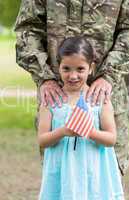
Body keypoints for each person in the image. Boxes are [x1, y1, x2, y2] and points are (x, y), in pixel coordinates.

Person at [15, 0, 129, 176]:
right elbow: (28, 29)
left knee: (108, 175)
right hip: (56, 96)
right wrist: (45, 77)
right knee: (61, 174)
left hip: (108, 94)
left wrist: (109, 74)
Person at [38, 36, 124, 200]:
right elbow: (42, 140)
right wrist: (64, 131)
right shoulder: (51, 100)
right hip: (61, 172)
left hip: (94, 173)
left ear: (91, 68)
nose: (73, 75)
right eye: (66, 69)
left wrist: (89, 131)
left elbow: (111, 138)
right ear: (58, 67)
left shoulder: (99, 99)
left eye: (80, 69)